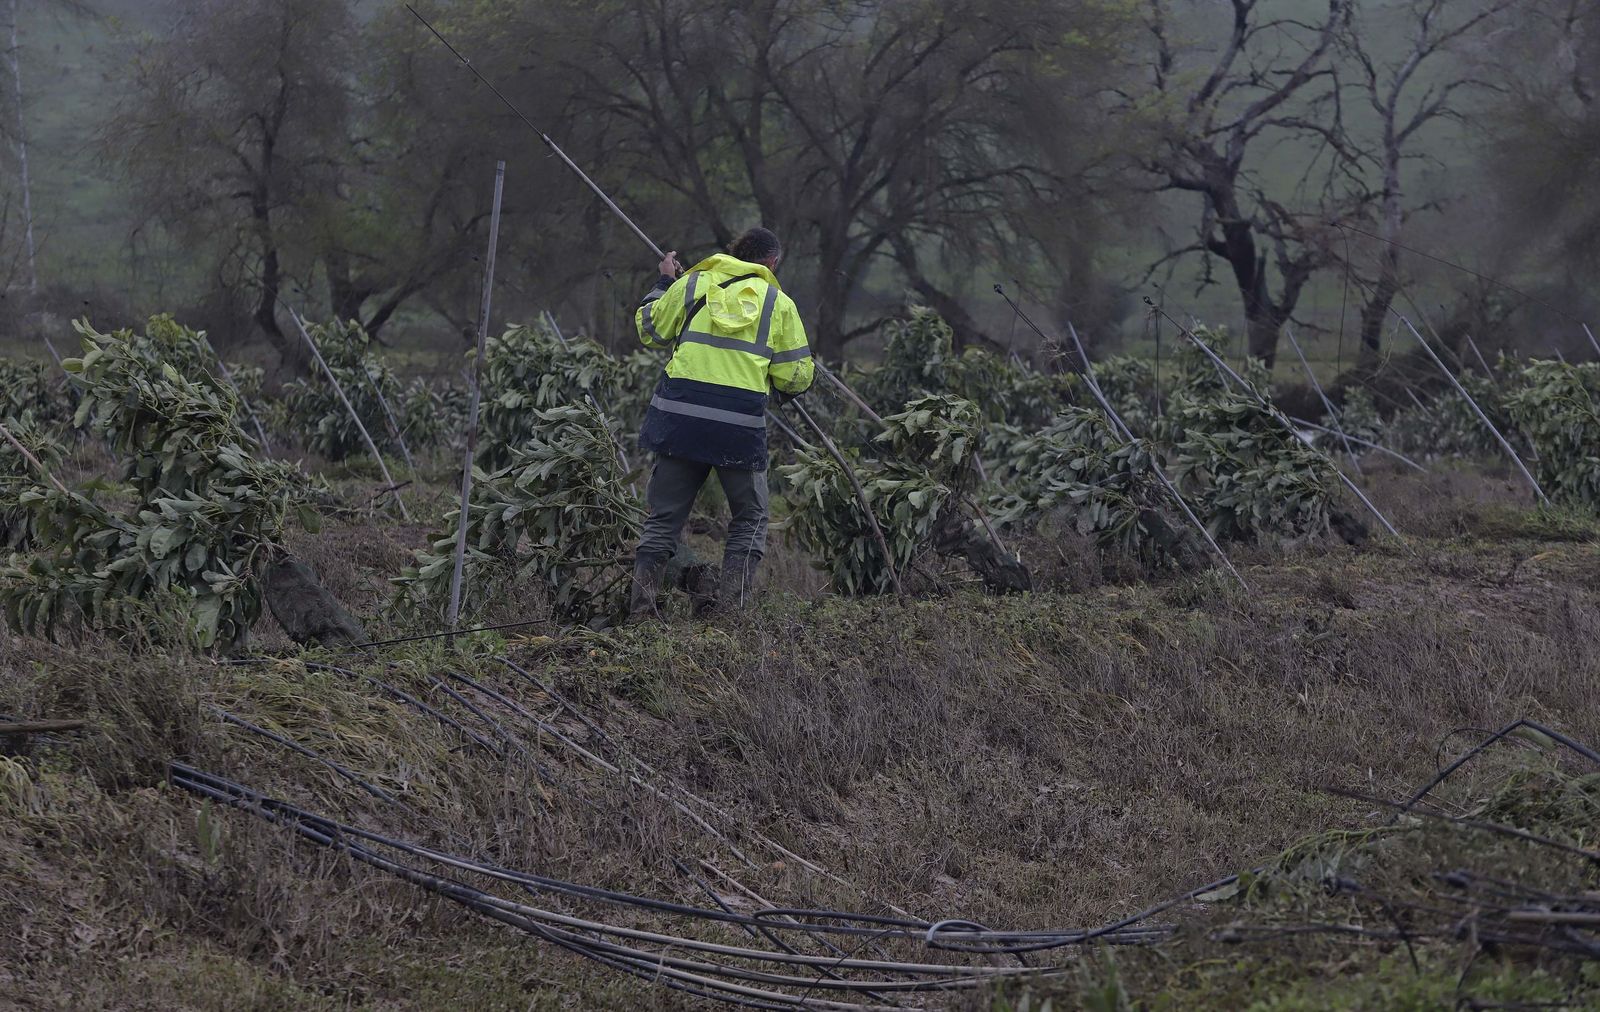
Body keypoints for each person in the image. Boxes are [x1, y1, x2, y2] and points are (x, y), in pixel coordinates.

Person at [628, 226, 813, 621]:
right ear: (771, 263)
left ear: (734, 252)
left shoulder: (692, 282)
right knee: (749, 518)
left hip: (680, 422)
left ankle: (640, 615)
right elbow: (796, 377)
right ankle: (731, 616)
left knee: (663, 521)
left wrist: (665, 282)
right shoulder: (778, 303)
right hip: (738, 427)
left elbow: (649, 328)